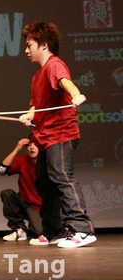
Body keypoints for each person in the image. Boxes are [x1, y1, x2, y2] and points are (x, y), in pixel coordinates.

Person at [19, 20, 96, 248]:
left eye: (29, 45)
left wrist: (76, 94)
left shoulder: (54, 65)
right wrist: (29, 115)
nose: (26, 50)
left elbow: (65, 82)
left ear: (44, 44)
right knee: (45, 184)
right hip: (44, 137)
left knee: (61, 177)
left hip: (60, 134)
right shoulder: (37, 76)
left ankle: (82, 229)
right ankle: (55, 232)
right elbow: (37, 105)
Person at [0, 137, 42, 242]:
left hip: (40, 207)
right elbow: (1, 170)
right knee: (7, 194)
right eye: (29, 145)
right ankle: (19, 229)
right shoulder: (22, 160)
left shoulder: (47, 162)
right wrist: (17, 149)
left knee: (39, 232)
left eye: (35, 145)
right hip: (24, 203)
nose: (32, 148)